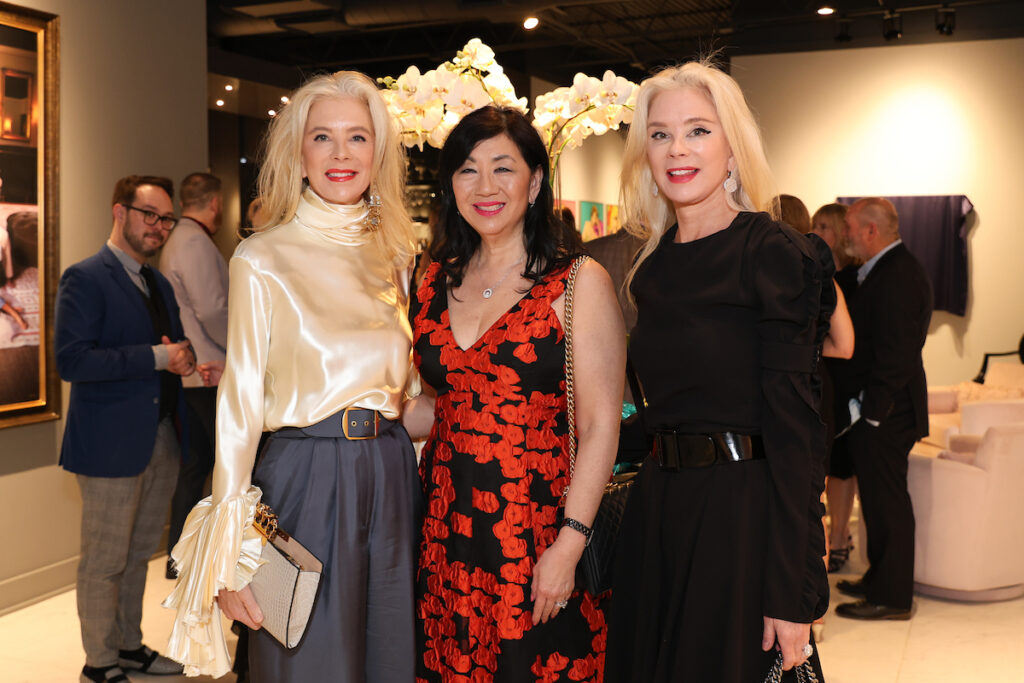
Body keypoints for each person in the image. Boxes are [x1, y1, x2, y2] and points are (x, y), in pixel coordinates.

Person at [163, 70, 420, 681]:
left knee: (389, 656)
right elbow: (241, 401)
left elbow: (408, 390)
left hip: (391, 474)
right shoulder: (262, 257)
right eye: (322, 137)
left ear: (377, 152)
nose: (340, 154)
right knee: (307, 658)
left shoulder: (397, 255)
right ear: (299, 154)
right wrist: (228, 554)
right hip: (306, 477)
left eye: (357, 138)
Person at [605, 61, 830, 682]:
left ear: (733, 148)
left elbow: (795, 434)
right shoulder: (651, 269)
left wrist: (793, 590)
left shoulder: (771, 252)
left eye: (698, 130)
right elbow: (659, 413)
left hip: (740, 519)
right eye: (660, 134)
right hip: (660, 513)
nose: (677, 149)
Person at [402, 105, 625, 682]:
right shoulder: (433, 279)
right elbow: (444, 405)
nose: (485, 187)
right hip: (445, 530)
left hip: (539, 527)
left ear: (536, 180)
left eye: (503, 168)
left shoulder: (576, 283)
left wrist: (570, 545)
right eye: (467, 170)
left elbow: (602, 425)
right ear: (451, 185)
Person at [55, 175, 194, 683]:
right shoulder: (85, 277)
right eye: (149, 215)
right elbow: (72, 361)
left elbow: (174, 344)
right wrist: (158, 356)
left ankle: (129, 646)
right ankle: (99, 661)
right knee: (105, 560)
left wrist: (185, 358)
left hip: (159, 437)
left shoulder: (156, 282)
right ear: (120, 212)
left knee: (139, 555)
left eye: (166, 219)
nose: (158, 227)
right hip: (109, 445)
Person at [833, 197, 932, 621]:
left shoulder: (901, 275)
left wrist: (872, 413)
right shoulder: (879, 271)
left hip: (888, 412)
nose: (845, 237)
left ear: (871, 231)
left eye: (851, 229)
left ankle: (892, 597)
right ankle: (879, 579)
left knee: (888, 503)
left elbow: (898, 354)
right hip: (877, 411)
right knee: (874, 501)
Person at [159, 172, 229, 580]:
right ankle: (199, 555)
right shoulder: (194, 242)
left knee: (197, 462)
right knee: (222, 464)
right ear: (215, 203)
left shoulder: (181, 240)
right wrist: (243, 351)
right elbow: (213, 309)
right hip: (209, 370)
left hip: (196, 370)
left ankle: (180, 555)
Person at [812, 202, 861, 573]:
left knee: (838, 473)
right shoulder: (818, 275)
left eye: (826, 226)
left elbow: (848, 345)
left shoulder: (847, 279)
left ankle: (841, 537)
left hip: (840, 383)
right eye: (815, 224)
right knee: (825, 482)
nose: (819, 232)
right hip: (824, 382)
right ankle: (838, 539)